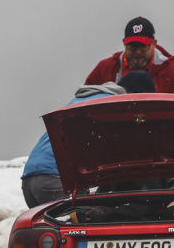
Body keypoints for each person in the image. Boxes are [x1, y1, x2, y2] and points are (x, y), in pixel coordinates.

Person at [20, 70, 158, 208]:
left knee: (54, 226)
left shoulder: (86, 100)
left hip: (30, 181)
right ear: (135, 94)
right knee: (90, 222)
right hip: (55, 180)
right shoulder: (113, 105)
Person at [84, 16, 174, 94]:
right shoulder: (105, 68)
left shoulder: (172, 71)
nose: (138, 51)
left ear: (154, 44)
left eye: (143, 46)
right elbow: (83, 101)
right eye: (132, 46)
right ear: (124, 43)